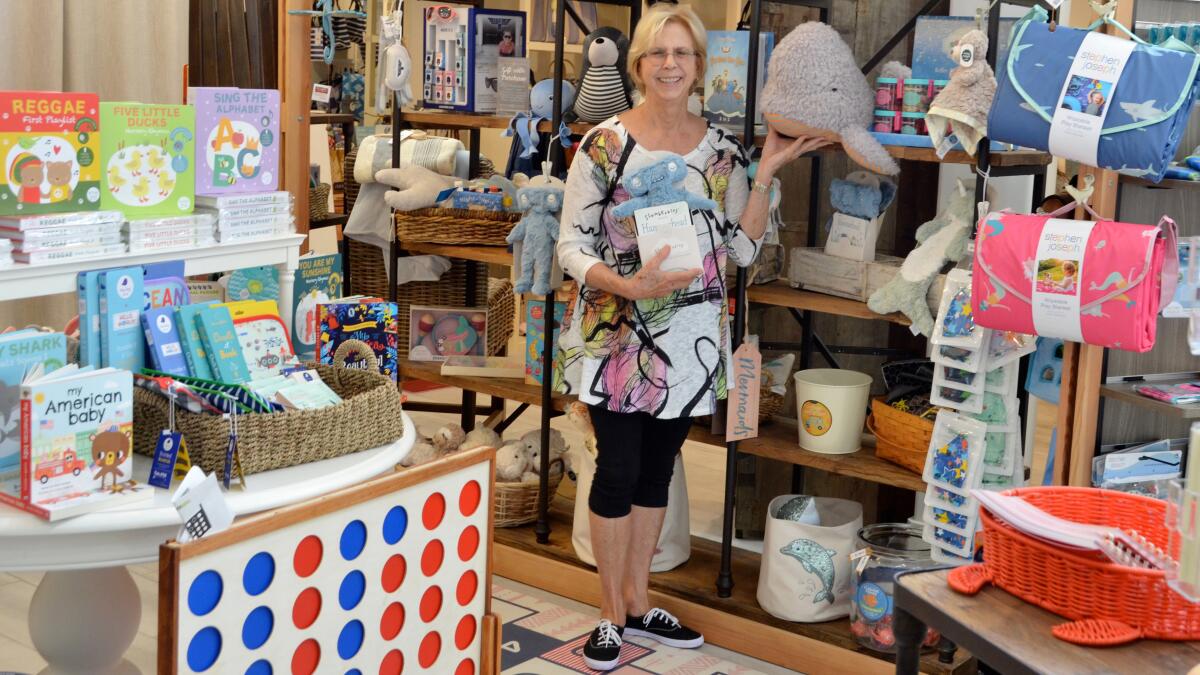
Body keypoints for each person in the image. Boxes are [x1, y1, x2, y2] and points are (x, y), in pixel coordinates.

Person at [555, 4, 828, 670]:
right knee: (616, 468)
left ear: (700, 66)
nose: (670, 64)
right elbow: (570, 244)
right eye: (657, 53)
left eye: (683, 53)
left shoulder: (723, 151)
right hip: (617, 336)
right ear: (639, 65)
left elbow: (738, 249)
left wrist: (765, 171)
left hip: (691, 343)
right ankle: (610, 615)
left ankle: (640, 600)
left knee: (656, 469)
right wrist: (627, 287)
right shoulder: (604, 146)